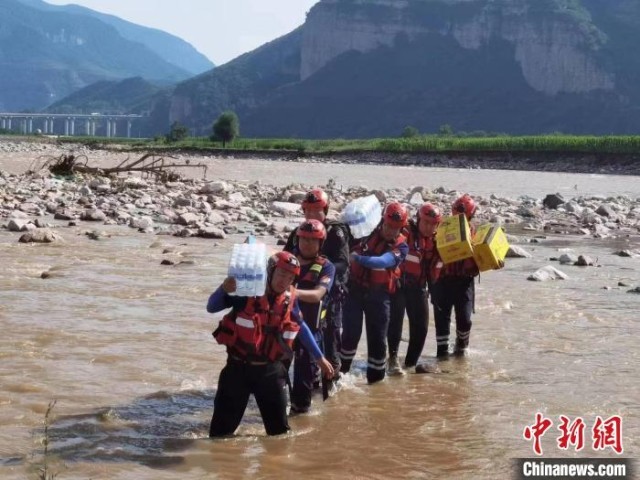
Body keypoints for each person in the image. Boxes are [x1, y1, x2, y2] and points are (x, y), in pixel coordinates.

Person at [207, 251, 334, 437]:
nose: (285, 280)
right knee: (219, 436)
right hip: (237, 370)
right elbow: (211, 307)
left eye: (290, 277)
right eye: (282, 274)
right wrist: (223, 288)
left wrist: (320, 357)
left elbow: (301, 327)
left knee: (279, 437)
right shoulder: (246, 291)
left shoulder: (289, 298)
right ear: (270, 271)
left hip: (271, 372)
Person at [284, 188, 350, 391]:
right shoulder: (298, 232)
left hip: (328, 295)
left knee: (329, 341)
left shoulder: (336, 232)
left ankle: (331, 382)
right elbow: (285, 258)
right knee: (295, 342)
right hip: (300, 295)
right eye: (308, 210)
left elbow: (342, 263)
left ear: (326, 210)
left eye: (317, 210)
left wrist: (321, 269)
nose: (312, 215)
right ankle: (306, 384)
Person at [339, 201, 409, 384]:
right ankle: (338, 376)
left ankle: (376, 385)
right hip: (355, 291)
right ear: (382, 221)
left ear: (401, 229)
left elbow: (382, 262)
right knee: (350, 336)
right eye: (388, 225)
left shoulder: (402, 247)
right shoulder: (366, 231)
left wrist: (358, 258)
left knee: (378, 342)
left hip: (379, 297)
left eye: (395, 228)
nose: (390, 231)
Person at [387, 203, 443, 375]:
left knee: (421, 327)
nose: (429, 227)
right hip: (399, 284)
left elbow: (436, 268)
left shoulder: (437, 241)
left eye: (433, 224)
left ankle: (411, 364)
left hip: (418, 286)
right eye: (425, 222)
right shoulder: (405, 232)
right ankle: (393, 359)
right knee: (395, 322)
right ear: (418, 220)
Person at [288, 219, 336, 413]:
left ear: (320, 243)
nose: (307, 243)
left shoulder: (327, 267)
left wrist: (291, 292)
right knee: (276, 376)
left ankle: (301, 413)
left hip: (310, 329)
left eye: (312, 240)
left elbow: (317, 295)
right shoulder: (286, 261)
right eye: (304, 239)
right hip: (283, 328)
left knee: (303, 383)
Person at [431, 194, 480, 359]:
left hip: (464, 281)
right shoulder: (441, 227)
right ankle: (442, 355)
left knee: (465, 319)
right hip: (443, 281)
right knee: (442, 321)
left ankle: (461, 346)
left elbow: (483, 258)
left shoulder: (475, 233)